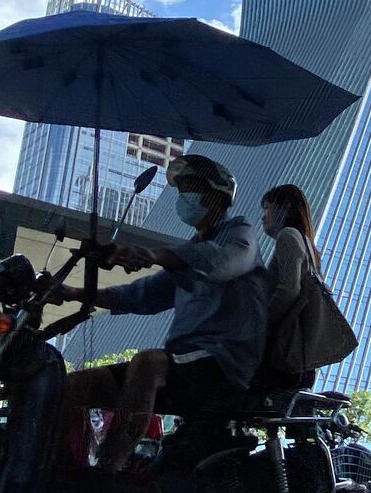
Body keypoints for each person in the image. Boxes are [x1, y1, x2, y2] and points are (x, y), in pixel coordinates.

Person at [47, 155, 265, 474]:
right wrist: (74, 294)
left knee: (148, 362)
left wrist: (151, 254)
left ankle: (110, 468)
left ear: (216, 194)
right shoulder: (187, 253)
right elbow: (143, 294)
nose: (183, 198)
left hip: (222, 365)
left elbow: (221, 263)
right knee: (77, 384)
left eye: (189, 188)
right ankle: (56, 472)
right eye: (181, 191)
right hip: (182, 368)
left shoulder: (238, 234)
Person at [254, 183, 319, 390]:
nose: (263, 216)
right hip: (301, 354)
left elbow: (289, 289)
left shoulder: (288, 236)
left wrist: (260, 325)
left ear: (286, 208)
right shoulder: (307, 244)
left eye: (267, 208)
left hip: (283, 351)